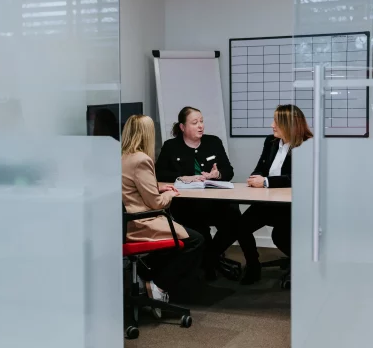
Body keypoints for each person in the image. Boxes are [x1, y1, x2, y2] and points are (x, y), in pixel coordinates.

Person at [220, 104, 312, 285]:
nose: (272, 125)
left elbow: (299, 177)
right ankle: (253, 266)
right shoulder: (270, 142)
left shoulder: (307, 144)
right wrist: (256, 177)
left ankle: (304, 265)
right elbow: (261, 168)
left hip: (294, 206)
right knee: (241, 226)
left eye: (276, 122)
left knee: (280, 235)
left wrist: (267, 182)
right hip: (269, 202)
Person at [155, 106, 249, 280]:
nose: (200, 126)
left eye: (202, 121)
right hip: (187, 206)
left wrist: (217, 175)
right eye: (194, 122)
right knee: (200, 232)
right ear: (182, 127)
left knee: (235, 220)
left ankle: (212, 259)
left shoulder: (213, 142)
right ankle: (209, 262)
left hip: (215, 203)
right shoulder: (171, 146)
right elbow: (159, 174)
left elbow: (228, 171)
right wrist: (183, 177)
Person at [122, 114, 204, 312]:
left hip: (126, 223)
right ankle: (158, 285)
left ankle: (145, 275)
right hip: (142, 223)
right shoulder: (141, 160)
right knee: (196, 240)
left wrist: (160, 189)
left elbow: (135, 190)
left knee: (181, 238)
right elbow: (156, 203)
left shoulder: (123, 158)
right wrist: (171, 194)